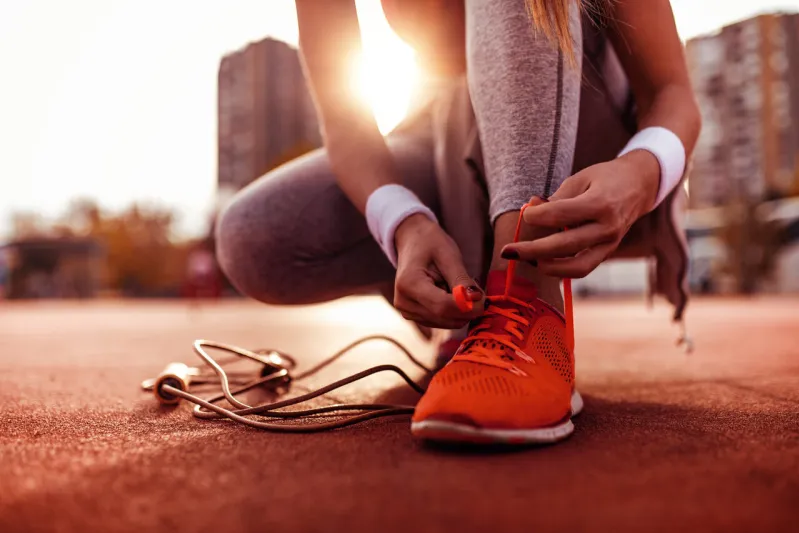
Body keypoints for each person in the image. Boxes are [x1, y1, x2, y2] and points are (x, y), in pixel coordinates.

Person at [216, 0, 701, 444]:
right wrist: (404, 223)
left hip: (600, 146)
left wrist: (641, 174)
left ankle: (528, 305)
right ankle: (476, 290)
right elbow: (345, 123)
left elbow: (673, 91)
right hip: (450, 133)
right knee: (256, 237)